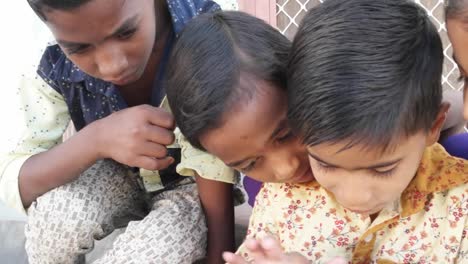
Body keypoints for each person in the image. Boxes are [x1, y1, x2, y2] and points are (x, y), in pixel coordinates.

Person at [191, 0, 466, 263]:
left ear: (432, 126)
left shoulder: (460, 207)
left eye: (382, 169)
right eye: (325, 164)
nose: (353, 196)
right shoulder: (280, 200)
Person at [0, 0, 239, 263]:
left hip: (190, 186)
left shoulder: (204, 32)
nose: (113, 65)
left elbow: (212, 159)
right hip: (112, 173)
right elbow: (15, 177)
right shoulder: (50, 60)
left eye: (126, 32)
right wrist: (97, 139)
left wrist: (220, 255)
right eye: (79, 48)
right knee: (53, 226)